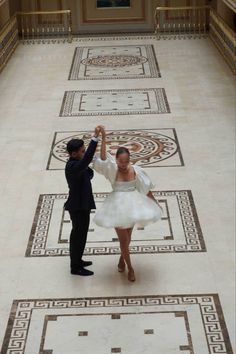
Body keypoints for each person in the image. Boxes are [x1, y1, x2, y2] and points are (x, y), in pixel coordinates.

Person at [93, 127, 162, 282]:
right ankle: (130, 268)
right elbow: (103, 158)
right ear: (116, 159)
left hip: (132, 207)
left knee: (128, 237)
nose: (123, 164)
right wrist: (103, 137)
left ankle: (121, 259)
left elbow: (145, 189)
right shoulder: (112, 169)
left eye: (126, 161)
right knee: (123, 240)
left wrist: (155, 204)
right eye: (120, 161)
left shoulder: (136, 171)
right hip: (117, 208)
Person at [64, 126, 101, 276]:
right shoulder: (73, 166)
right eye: (82, 151)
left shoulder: (77, 165)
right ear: (74, 154)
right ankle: (75, 267)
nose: (84, 153)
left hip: (82, 204)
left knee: (82, 233)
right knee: (78, 235)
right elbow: (86, 161)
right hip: (77, 207)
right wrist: (95, 138)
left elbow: (88, 172)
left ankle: (78, 260)